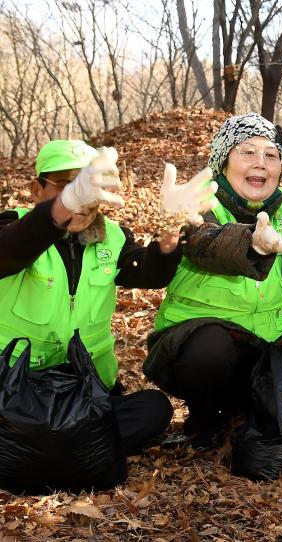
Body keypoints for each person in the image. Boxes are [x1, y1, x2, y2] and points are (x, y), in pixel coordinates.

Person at [143, 113, 282, 449]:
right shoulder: (197, 202)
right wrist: (252, 243)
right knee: (210, 348)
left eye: (271, 155)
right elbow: (205, 244)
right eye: (247, 152)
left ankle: (260, 412)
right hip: (204, 345)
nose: (260, 163)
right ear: (223, 159)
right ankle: (206, 418)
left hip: (272, 338)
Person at [0, 139, 214, 457]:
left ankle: (39, 449)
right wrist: (62, 208)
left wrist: (170, 232)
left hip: (86, 388)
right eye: (66, 185)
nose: (82, 197)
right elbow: (10, 252)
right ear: (36, 190)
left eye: (88, 184)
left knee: (154, 409)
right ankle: (73, 449)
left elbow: (147, 272)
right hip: (17, 387)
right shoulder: (13, 226)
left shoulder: (113, 236)